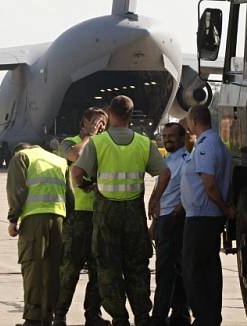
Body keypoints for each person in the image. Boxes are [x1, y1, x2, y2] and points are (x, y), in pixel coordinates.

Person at [73, 95, 171, 326]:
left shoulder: (98, 143)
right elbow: (164, 173)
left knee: (108, 268)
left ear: (110, 113)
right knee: (137, 266)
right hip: (134, 213)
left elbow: (76, 174)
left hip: (107, 214)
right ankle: (142, 316)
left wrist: (88, 186)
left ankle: (119, 318)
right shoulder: (143, 143)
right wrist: (155, 199)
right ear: (130, 114)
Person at [53, 107, 110, 326]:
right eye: (96, 122)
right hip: (77, 214)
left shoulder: (104, 144)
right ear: (84, 123)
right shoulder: (71, 141)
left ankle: (93, 314)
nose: (101, 127)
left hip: (99, 213)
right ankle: (59, 314)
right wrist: (90, 137)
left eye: (104, 123)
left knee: (97, 269)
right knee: (70, 268)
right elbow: (75, 156)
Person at [180, 105, 234, 326]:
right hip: (205, 216)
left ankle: (204, 317)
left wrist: (224, 207)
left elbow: (209, 184)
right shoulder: (212, 143)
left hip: (202, 217)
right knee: (208, 268)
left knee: (194, 269)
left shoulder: (206, 145)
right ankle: (210, 316)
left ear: (194, 122)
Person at [7, 142, 71, 326]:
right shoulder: (59, 160)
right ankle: (47, 316)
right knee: (53, 269)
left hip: (34, 220)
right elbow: (70, 196)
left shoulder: (21, 157)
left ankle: (33, 319)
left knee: (33, 268)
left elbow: (16, 190)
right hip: (59, 219)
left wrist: (13, 219)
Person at [152, 123, 191, 326]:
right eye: (165, 135)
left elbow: (190, 190)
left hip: (174, 221)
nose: (167, 139)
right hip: (164, 219)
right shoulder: (167, 159)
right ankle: (180, 315)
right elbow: (161, 188)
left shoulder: (185, 161)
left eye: (172, 136)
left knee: (166, 272)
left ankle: (158, 317)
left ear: (183, 138)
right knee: (174, 272)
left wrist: (178, 211)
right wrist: (154, 223)